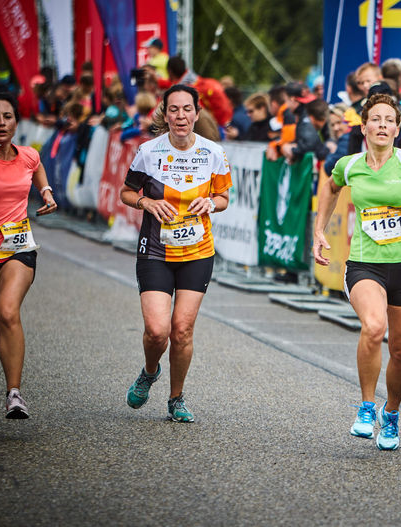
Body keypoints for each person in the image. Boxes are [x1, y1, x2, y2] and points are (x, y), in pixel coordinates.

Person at [313, 94, 401, 450]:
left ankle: (392, 413)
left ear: (397, 129)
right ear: (364, 126)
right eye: (376, 119)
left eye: (389, 120)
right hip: (365, 263)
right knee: (373, 327)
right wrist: (319, 230)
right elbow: (330, 187)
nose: (382, 125)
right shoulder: (350, 164)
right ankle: (367, 407)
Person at [119, 85, 232, 423]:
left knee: (181, 329)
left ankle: (176, 398)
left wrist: (210, 203)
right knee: (158, 331)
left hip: (197, 251)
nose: (181, 116)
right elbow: (126, 192)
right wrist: (147, 202)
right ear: (165, 114)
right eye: (174, 109)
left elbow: (224, 199)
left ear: (197, 113)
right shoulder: (148, 151)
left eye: (187, 109)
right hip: (155, 250)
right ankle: (149, 371)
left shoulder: (213, 153)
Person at [0, 92, 57, 418]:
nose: (1, 123)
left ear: (17, 121)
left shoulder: (28, 155)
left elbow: (37, 167)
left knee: (7, 311)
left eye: (7, 116)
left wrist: (45, 191)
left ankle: (14, 394)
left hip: (16, 246)